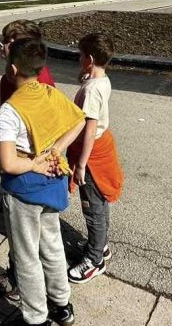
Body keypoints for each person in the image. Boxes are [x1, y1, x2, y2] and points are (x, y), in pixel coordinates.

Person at [0, 38, 84, 326]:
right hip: (53, 185)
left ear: (12, 68)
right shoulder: (49, 92)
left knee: (26, 256)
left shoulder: (11, 109)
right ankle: (62, 305)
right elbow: (79, 120)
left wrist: (33, 162)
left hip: (24, 190)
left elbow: (7, 163)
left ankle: (36, 317)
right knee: (52, 245)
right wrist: (57, 149)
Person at [0, 19, 56, 300]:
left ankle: (22, 287)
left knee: (26, 237)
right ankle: (47, 292)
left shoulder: (37, 82)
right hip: (22, 166)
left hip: (26, 170)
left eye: (6, 42)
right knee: (31, 236)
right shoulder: (12, 77)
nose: (1, 46)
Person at [66, 33, 124, 284]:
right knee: (99, 204)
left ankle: (94, 259)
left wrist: (80, 164)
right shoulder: (101, 80)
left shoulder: (91, 89)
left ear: (88, 59)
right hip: (101, 147)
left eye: (80, 55)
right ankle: (99, 245)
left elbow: (89, 128)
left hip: (92, 157)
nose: (79, 59)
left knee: (93, 207)